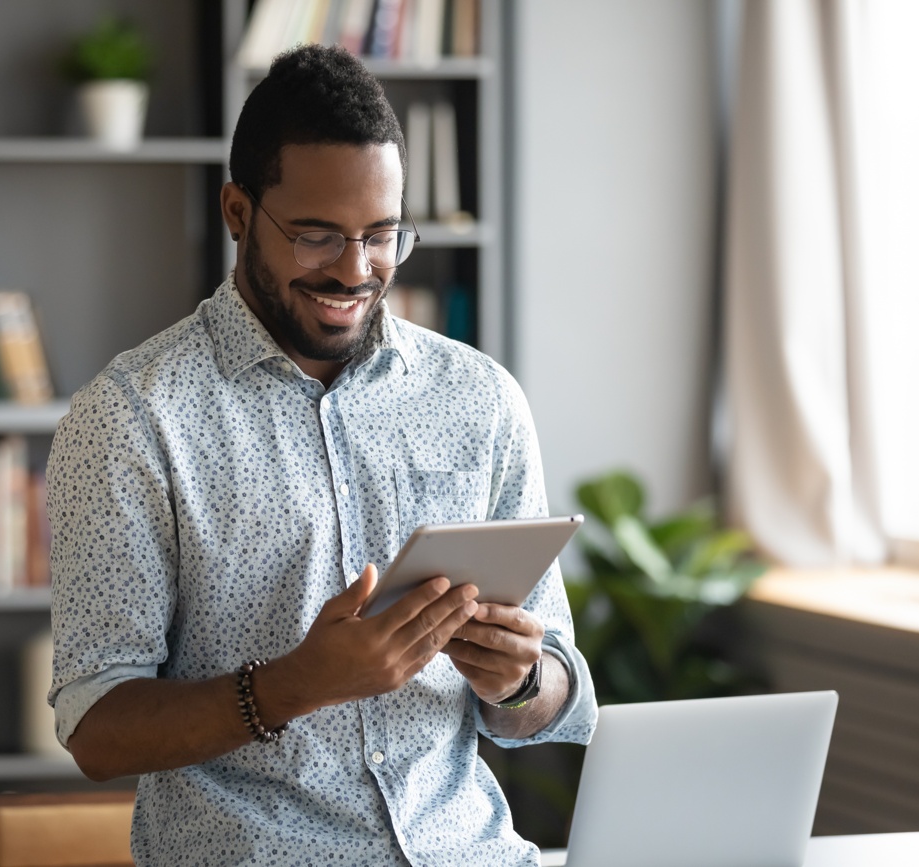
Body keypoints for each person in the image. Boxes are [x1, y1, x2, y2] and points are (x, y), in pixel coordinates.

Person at [46, 43, 597, 866]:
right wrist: (294, 683)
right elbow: (96, 727)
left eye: (382, 236)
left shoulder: (480, 398)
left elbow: (553, 693)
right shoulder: (131, 419)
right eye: (316, 237)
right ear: (238, 214)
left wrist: (517, 679)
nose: (355, 270)